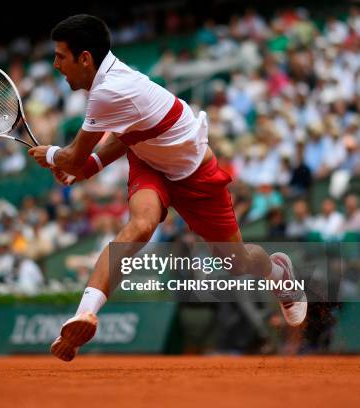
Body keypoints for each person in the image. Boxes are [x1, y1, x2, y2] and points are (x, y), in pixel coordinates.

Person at [28, 14, 307, 362]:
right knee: (140, 226)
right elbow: (130, 136)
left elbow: (71, 156)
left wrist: (54, 156)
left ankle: (277, 271)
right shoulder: (111, 81)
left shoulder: (109, 90)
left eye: (60, 57)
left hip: (196, 174)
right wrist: (88, 169)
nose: (56, 65)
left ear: (85, 58)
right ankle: (82, 315)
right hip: (151, 164)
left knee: (237, 262)